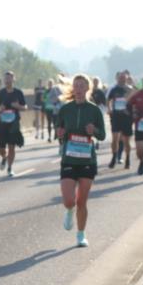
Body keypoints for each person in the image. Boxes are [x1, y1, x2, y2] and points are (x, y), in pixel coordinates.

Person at [56, 74, 106, 248]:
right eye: (76, 86)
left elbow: (102, 135)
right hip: (69, 159)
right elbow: (60, 132)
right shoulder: (65, 109)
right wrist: (60, 135)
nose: (78, 89)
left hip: (87, 160)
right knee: (70, 201)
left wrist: (94, 131)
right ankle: (69, 211)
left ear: (87, 89)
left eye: (82, 86)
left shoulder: (94, 110)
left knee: (82, 202)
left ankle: (81, 234)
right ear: (72, 88)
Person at [0, 70, 26, 177]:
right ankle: (4, 157)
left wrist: (18, 106)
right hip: (2, 124)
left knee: (12, 147)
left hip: (14, 123)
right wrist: (0, 109)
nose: (7, 80)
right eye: (6, 78)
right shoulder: (1, 93)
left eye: (10, 78)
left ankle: (9, 168)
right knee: (1, 148)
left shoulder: (18, 93)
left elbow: (25, 107)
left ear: (13, 79)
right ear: (4, 80)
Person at [106, 71, 133, 169]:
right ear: (117, 79)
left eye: (123, 78)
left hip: (126, 118)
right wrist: (109, 109)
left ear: (126, 79)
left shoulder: (130, 89)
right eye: (120, 78)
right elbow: (108, 100)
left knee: (126, 141)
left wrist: (132, 112)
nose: (121, 79)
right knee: (115, 139)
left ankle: (128, 159)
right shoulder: (114, 89)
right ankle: (114, 157)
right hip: (116, 117)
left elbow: (134, 103)